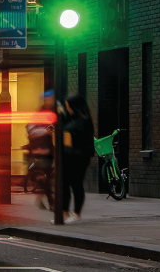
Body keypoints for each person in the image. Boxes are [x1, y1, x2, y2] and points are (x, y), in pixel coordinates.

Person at [57, 94, 95, 224]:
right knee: (64, 185)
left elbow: (81, 137)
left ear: (75, 106)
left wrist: (67, 134)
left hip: (79, 157)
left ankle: (76, 213)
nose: (68, 108)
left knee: (76, 184)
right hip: (68, 156)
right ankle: (64, 213)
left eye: (68, 106)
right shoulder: (71, 119)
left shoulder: (83, 120)